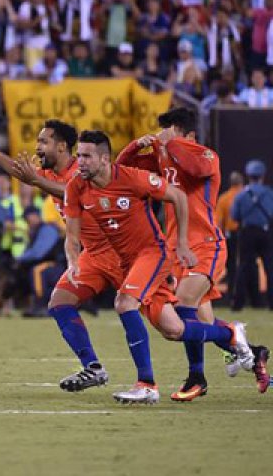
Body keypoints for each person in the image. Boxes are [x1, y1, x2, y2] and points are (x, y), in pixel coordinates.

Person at [65, 130, 255, 404]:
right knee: (173, 329)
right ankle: (231, 334)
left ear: (104, 159)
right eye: (78, 155)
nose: (80, 161)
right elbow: (72, 237)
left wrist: (182, 244)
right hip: (128, 262)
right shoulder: (76, 186)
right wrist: (73, 261)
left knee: (124, 302)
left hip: (153, 253)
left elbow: (178, 196)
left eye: (86, 156)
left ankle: (146, 385)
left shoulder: (132, 178)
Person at [118, 108, 270, 398]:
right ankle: (253, 352)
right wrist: (137, 145)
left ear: (189, 135)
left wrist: (171, 144)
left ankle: (197, 377)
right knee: (202, 324)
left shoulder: (206, 155)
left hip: (205, 245)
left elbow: (196, 169)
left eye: (171, 130)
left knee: (183, 308)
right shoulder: (164, 156)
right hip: (177, 248)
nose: (163, 136)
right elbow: (121, 172)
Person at [0, 120, 118, 392]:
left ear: (61, 146)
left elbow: (73, 192)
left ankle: (178, 369)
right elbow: (22, 173)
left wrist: (36, 180)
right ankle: (93, 367)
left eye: (43, 141)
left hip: (120, 250)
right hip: (93, 254)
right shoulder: (51, 174)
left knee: (164, 318)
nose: (37, 147)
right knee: (60, 303)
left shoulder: (82, 169)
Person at [232, 159, 273, 312]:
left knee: (243, 267)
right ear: (262, 175)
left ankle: (238, 303)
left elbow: (235, 215)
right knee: (270, 267)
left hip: (247, 232)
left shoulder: (241, 195)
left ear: (248, 175)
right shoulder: (268, 193)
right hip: (265, 232)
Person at [216, 171, 245, 300]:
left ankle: (232, 294)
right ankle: (249, 295)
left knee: (231, 266)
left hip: (231, 236)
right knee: (247, 264)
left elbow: (219, 222)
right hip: (246, 233)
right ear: (242, 182)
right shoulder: (247, 196)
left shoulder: (224, 198)